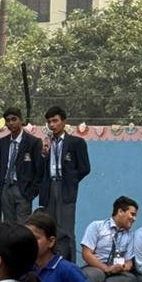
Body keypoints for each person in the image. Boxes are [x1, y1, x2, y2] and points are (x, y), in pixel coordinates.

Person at [37, 107, 90, 262]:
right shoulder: (45, 143)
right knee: (49, 229)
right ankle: (51, 264)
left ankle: (70, 265)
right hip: (49, 187)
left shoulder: (76, 142)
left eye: (55, 121)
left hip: (65, 188)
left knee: (66, 230)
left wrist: (71, 181)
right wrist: (43, 154)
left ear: (63, 121)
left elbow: (85, 168)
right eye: (49, 122)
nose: (52, 125)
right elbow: (40, 169)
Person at [0, 108, 44, 224]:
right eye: (8, 120)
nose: (11, 123)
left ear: (21, 120)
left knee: (23, 226)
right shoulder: (3, 142)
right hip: (5, 188)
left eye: (14, 119)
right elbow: (0, 167)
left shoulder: (33, 142)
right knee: (8, 225)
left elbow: (39, 170)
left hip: (23, 189)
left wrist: (32, 193)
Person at [79, 196, 138, 282]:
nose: (134, 219)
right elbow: (86, 253)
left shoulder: (130, 235)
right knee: (92, 276)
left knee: (131, 280)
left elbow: (129, 262)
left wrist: (122, 267)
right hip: (96, 268)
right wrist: (106, 268)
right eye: (132, 214)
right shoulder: (97, 226)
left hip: (116, 273)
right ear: (120, 212)